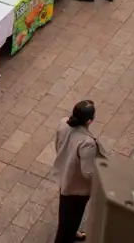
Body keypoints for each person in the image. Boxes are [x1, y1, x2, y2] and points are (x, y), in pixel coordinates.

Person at [53, 100, 101, 243]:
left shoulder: (63, 123)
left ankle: (71, 232)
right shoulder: (87, 143)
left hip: (64, 176)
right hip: (77, 187)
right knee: (71, 217)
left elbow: (57, 145)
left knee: (66, 214)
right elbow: (88, 173)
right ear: (89, 121)